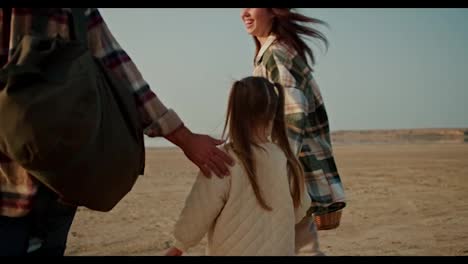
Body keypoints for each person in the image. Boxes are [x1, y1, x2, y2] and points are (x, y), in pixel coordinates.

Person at [0, 8, 233, 256]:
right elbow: (122, 73)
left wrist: (185, 139)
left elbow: (119, 70)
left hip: (50, 189)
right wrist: (184, 138)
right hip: (54, 183)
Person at [240, 8, 346, 255]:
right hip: (292, 170)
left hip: (289, 171)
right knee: (301, 245)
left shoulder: (276, 54)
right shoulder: (274, 52)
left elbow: (293, 113)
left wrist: (276, 167)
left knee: (290, 245)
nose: (244, 11)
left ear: (273, 12)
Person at [165, 76, 310, 256]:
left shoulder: (224, 159)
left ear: (235, 112)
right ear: (273, 113)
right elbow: (300, 207)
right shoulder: (286, 159)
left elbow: (199, 211)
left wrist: (179, 245)